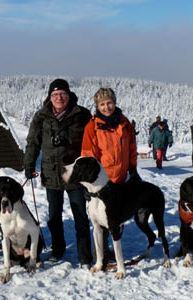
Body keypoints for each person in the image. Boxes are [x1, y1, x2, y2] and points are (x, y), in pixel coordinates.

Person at [24, 78, 92, 268]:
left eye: (62, 94)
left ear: (69, 95)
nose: (59, 98)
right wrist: (29, 165)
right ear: (50, 97)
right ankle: (58, 249)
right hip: (51, 172)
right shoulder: (41, 116)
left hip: (75, 173)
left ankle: (85, 256)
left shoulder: (82, 115)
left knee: (80, 216)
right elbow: (33, 143)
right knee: (54, 216)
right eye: (55, 95)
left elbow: (92, 142)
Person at [81, 87, 140, 264]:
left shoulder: (124, 123)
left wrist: (133, 170)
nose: (106, 107)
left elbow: (131, 148)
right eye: (102, 104)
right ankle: (100, 253)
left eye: (109, 103)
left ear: (114, 102)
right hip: (101, 182)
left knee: (116, 217)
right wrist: (87, 184)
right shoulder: (92, 127)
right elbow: (87, 156)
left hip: (120, 179)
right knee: (100, 218)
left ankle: (112, 249)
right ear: (97, 106)